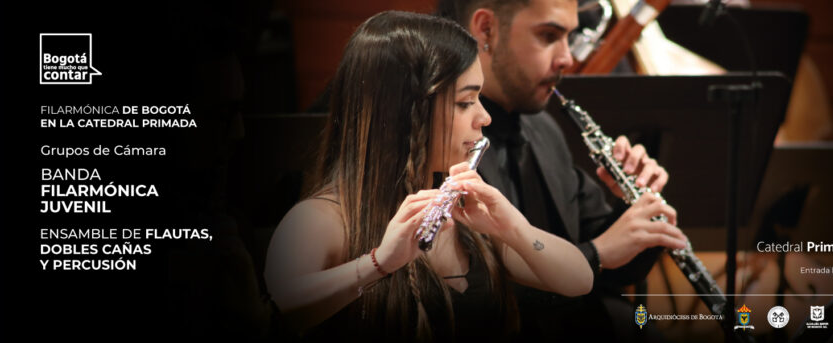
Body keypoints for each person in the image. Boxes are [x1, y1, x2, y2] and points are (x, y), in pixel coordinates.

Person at [262, 10, 593, 342]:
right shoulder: (320, 220)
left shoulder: (466, 216)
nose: (484, 117)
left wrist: (513, 227)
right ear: (406, 112)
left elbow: (579, 281)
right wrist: (379, 263)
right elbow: (275, 313)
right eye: (465, 102)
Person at [437, 0, 687, 341]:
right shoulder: (438, 139)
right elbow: (480, 295)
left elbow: (605, 252)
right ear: (486, 30)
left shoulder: (542, 126)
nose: (567, 58)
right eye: (549, 35)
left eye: (569, 37)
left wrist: (638, 216)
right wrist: (596, 255)